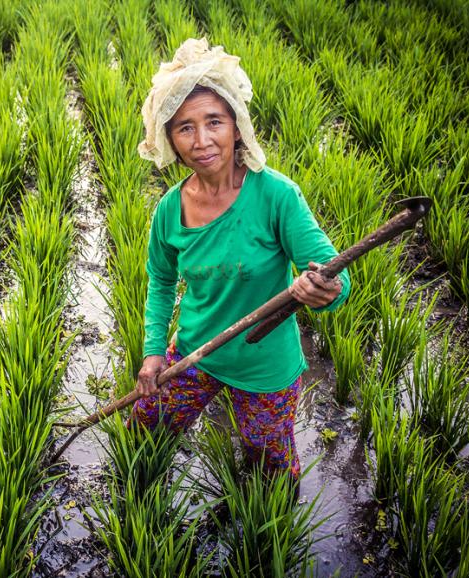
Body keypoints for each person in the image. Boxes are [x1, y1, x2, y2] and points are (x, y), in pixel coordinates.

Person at [131, 38, 351, 486]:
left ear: (236, 125)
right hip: (194, 352)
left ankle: (262, 545)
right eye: (185, 127)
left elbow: (334, 275)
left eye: (214, 121)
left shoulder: (276, 196)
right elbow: (160, 281)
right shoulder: (170, 209)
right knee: (145, 430)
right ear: (170, 139)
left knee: (268, 473)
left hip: (264, 364)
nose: (202, 140)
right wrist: (155, 352)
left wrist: (324, 290)